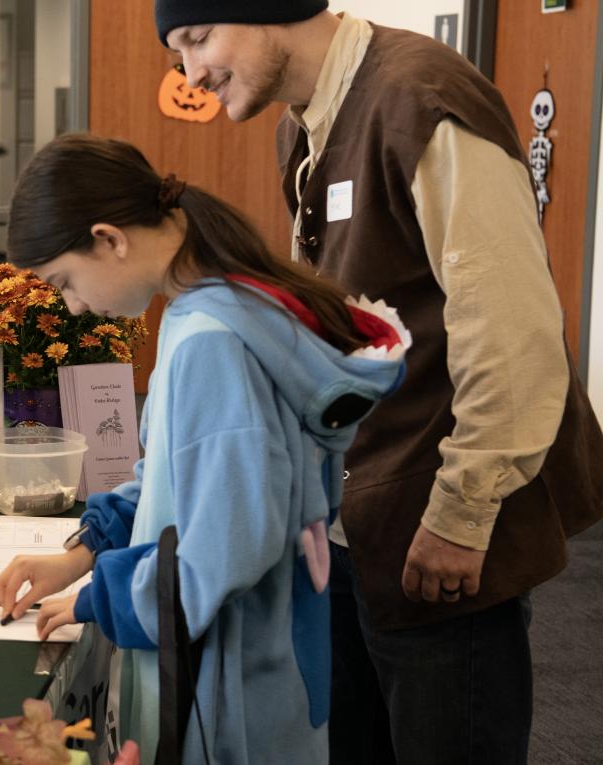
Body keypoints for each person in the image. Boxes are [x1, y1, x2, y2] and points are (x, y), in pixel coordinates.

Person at [156, 2, 603, 763]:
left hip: (443, 522)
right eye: (178, 54)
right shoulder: (300, 123)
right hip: (363, 520)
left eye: (199, 39)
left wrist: (462, 514)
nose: (193, 74)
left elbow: (514, 331)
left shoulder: (418, 101)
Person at [0, 134, 409, 762]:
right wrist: (85, 551)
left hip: (232, 687)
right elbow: (170, 475)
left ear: (109, 239)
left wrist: (96, 597)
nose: (73, 306)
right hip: (247, 663)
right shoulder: (212, 307)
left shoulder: (211, 340)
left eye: (65, 281)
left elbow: (220, 556)